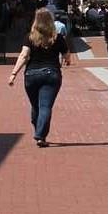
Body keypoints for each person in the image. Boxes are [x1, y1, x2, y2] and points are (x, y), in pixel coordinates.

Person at [8, 8, 71, 146]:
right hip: (51, 74)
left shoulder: (30, 37)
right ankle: (40, 135)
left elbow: (24, 55)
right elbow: (67, 55)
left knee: (36, 106)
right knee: (45, 106)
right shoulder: (57, 38)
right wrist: (68, 60)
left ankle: (39, 131)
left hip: (31, 75)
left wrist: (14, 74)